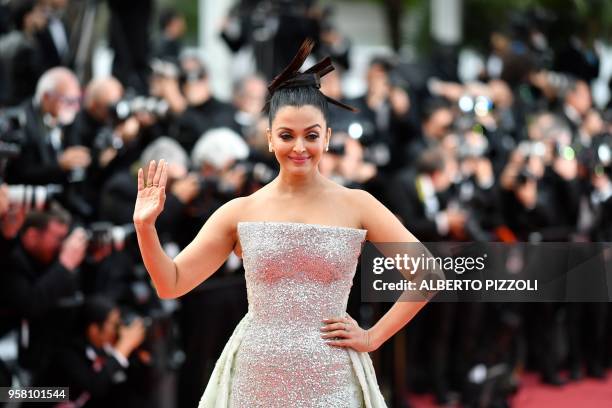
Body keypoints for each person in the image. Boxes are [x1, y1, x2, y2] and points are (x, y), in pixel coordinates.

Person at [133, 39, 433, 407]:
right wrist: (145, 229)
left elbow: (428, 274)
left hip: (333, 380)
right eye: (287, 136)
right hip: (256, 380)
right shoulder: (240, 211)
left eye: (311, 135)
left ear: (327, 136)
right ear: (270, 139)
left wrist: (373, 337)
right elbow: (171, 283)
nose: (300, 148)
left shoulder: (358, 204)